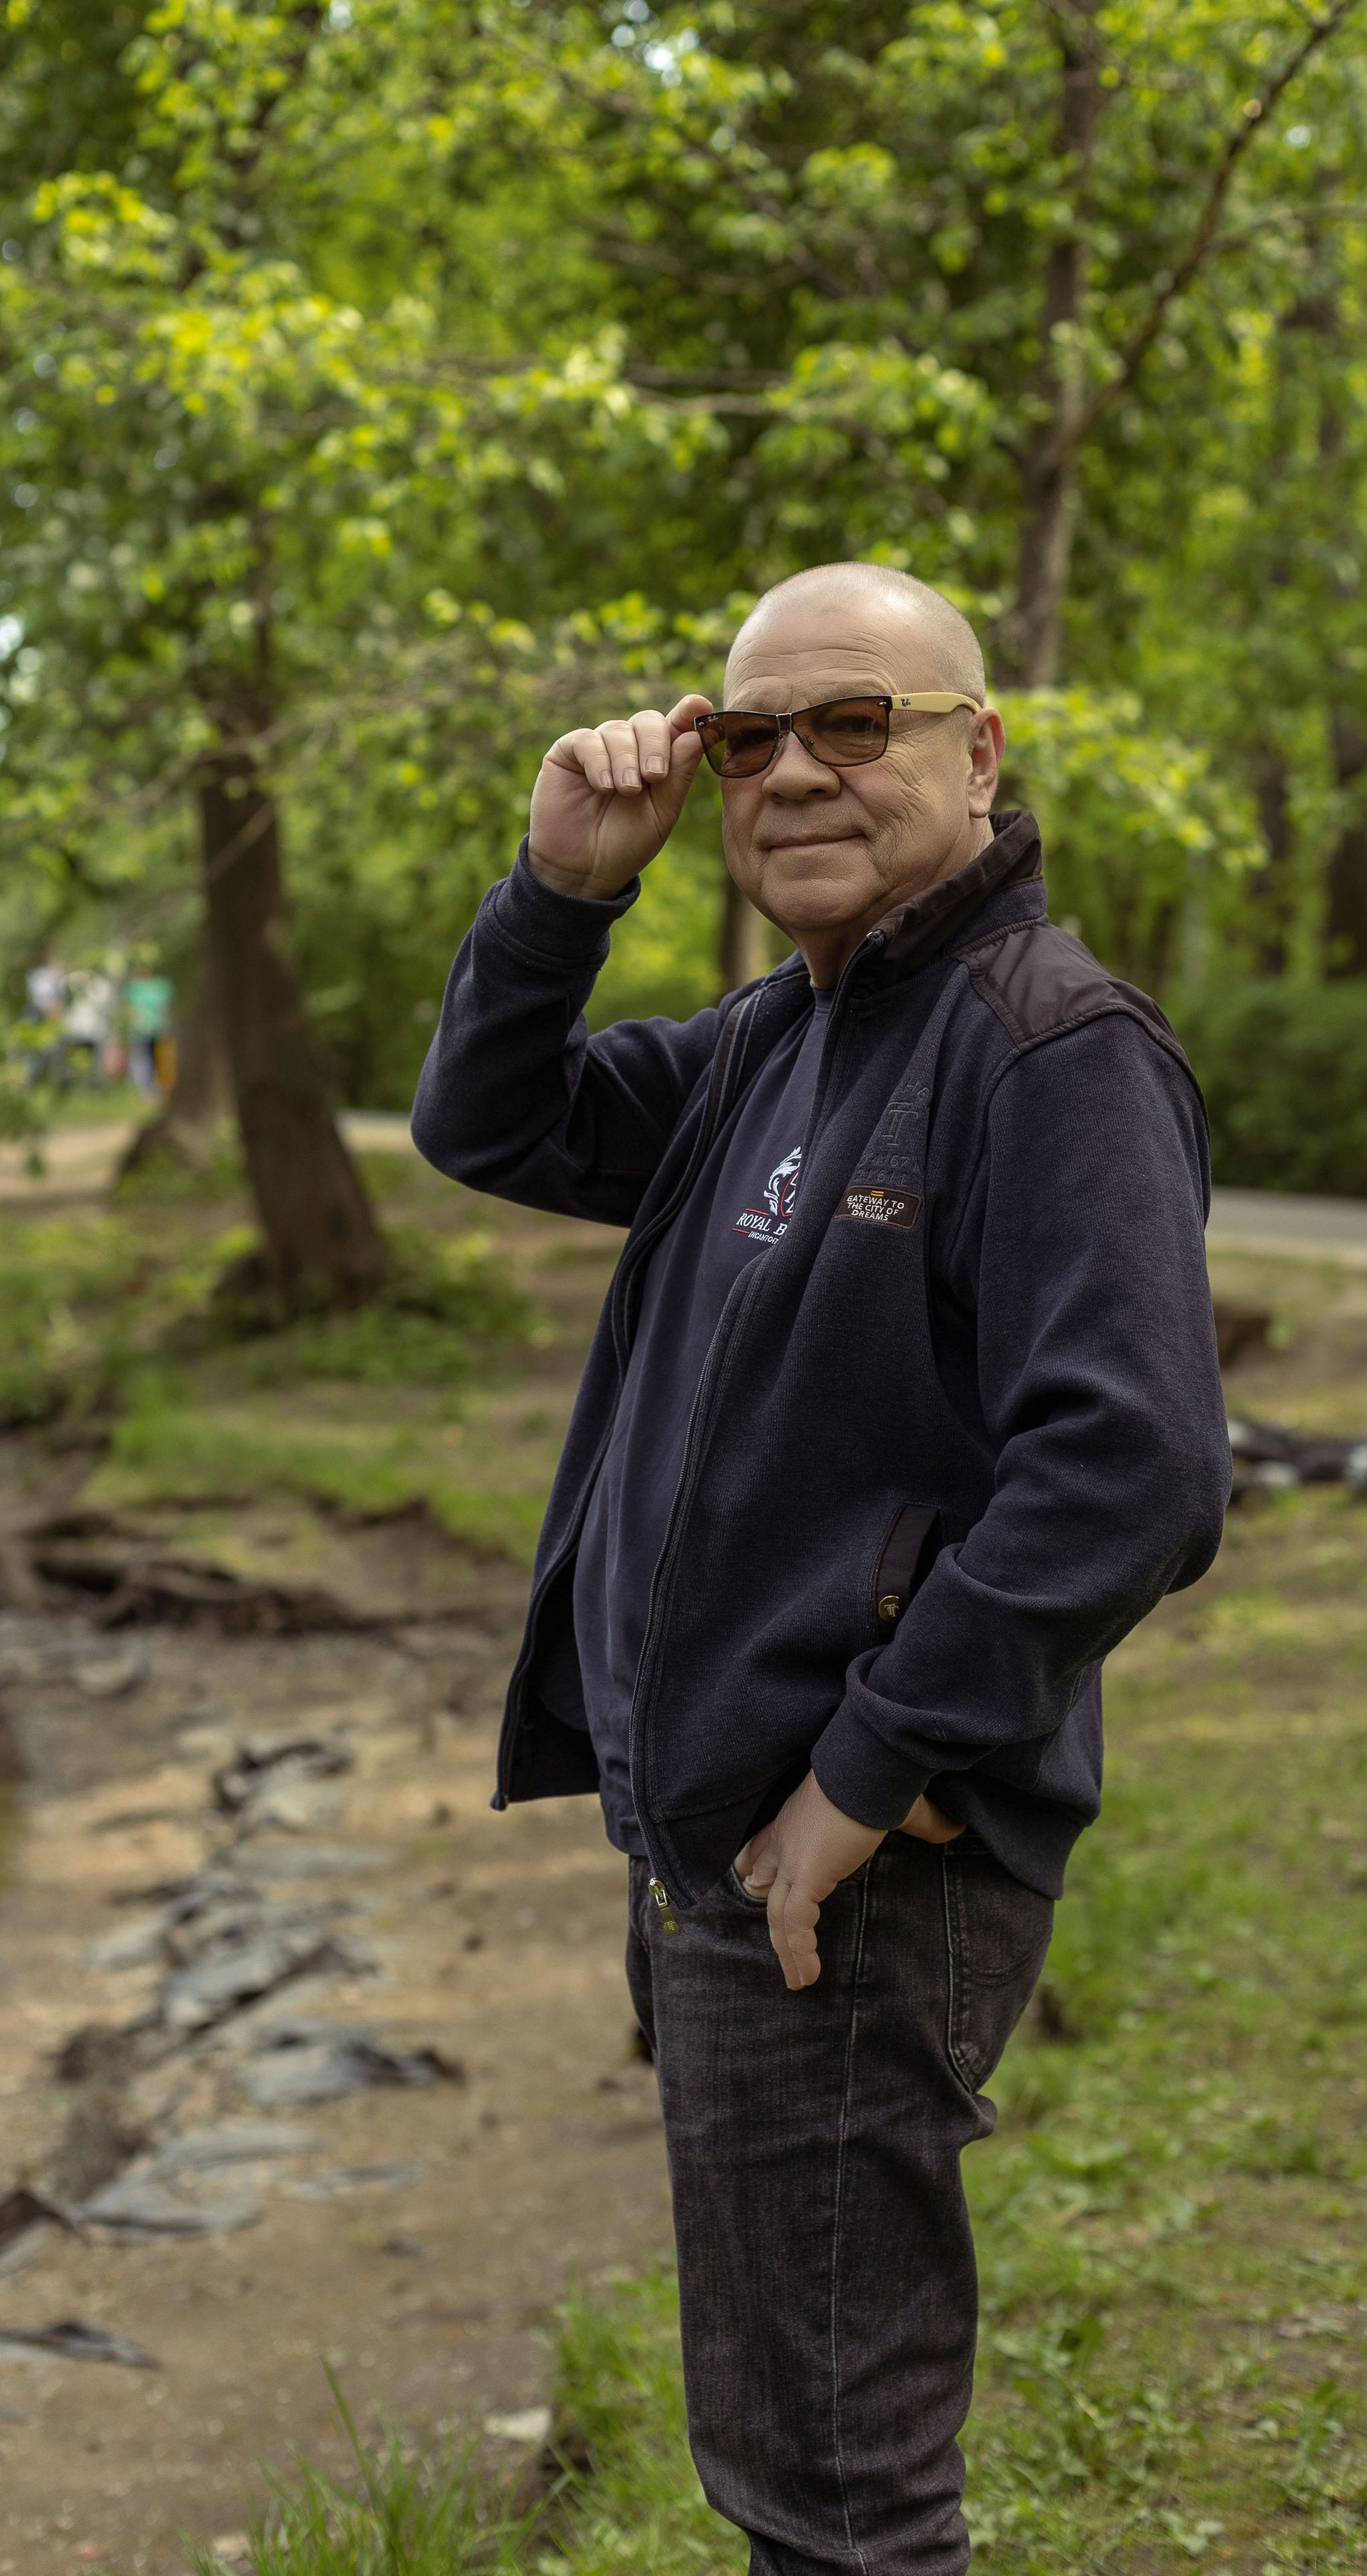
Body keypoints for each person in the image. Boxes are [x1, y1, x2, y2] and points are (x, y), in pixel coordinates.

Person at [411, 563, 1230, 2576]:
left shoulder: (1047, 1050)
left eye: (850, 723)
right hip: (730, 1846)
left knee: (835, 2496)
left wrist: (860, 1781)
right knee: (790, 2450)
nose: (793, 771)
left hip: (849, 1871)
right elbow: (484, 1120)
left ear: (976, 747)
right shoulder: (775, 1041)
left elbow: (1132, 1470)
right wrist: (561, 889)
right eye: (749, 732)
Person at [125, 964, 175, 1095]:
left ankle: (159, 1086)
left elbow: (166, 1007)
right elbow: (130, 1007)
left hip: (158, 1028)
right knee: (142, 1057)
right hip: (140, 1030)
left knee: (159, 1056)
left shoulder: (162, 985)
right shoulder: (135, 987)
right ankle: (143, 1088)